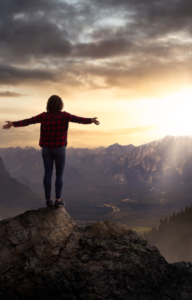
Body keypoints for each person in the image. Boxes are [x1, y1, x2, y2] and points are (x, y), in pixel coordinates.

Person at [2, 95, 100, 208]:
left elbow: (28, 121)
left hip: (46, 149)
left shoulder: (43, 116)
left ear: (48, 105)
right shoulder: (64, 116)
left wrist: (13, 123)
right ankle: (58, 199)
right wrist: (91, 120)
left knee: (47, 173)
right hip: (59, 149)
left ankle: (48, 200)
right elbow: (78, 119)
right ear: (60, 105)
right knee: (59, 174)